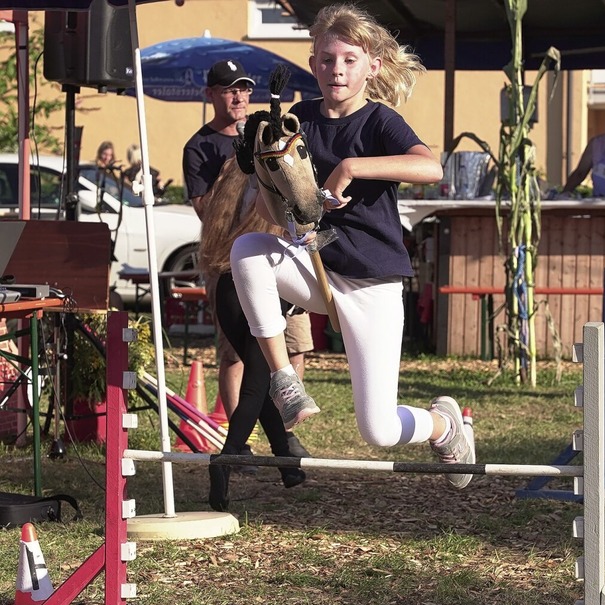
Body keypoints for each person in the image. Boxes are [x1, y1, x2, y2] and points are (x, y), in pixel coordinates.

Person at [229, 3, 475, 489]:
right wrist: (262, 175)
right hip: (317, 268)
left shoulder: (379, 122)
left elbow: (431, 169)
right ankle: (285, 380)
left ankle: (446, 425)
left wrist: (351, 167)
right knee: (247, 250)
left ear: (372, 66)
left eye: (347, 59)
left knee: (378, 429)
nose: (335, 70)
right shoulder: (297, 119)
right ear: (313, 62)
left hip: (372, 284)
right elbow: (271, 212)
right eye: (325, 59)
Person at [182, 60, 311, 490]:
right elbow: (209, 213)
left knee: (286, 357)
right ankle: (232, 453)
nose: (238, 96)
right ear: (211, 95)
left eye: (243, 89)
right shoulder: (205, 150)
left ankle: (287, 461)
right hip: (235, 274)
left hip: (282, 271)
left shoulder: (271, 151)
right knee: (250, 367)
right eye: (229, 89)